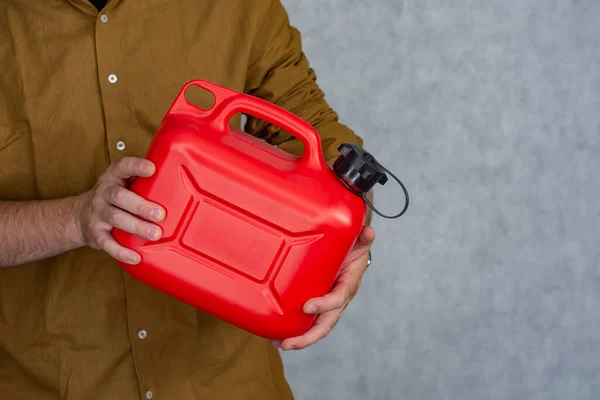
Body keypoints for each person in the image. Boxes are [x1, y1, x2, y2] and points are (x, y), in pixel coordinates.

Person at [0, 0, 375, 398]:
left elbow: (320, 134)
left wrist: (350, 234)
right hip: (49, 385)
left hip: (227, 384)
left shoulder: (238, 8)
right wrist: (75, 219)